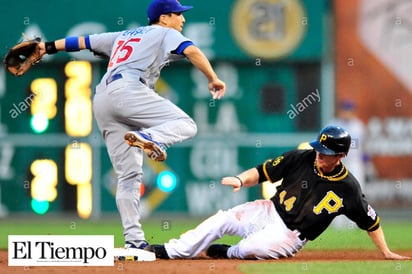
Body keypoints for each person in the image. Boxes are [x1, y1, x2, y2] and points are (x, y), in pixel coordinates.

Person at [36, 0, 226, 249]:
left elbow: (82, 41)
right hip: (129, 90)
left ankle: (134, 242)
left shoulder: (123, 35)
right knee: (187, 124)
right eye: (178, 14)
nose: (183, 19)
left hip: (103, 98)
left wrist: (46, 47)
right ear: (164, 17)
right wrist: (213, 79)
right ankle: (152, 137)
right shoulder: (165, 32)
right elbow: (192, 51)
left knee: (128, 176)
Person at [145, 126, 409, 260]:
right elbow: (262, 171)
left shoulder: (348, 188)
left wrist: (385, 252)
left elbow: (370, 221)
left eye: (327, 153)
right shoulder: (302, 157)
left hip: (291, 235)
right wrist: (241, 179)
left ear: (341, 155)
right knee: (222, 218)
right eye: (319, 148)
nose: (319, 155)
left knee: (252, 247)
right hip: (269, 210)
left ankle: (229, 253)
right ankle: (170, 251)